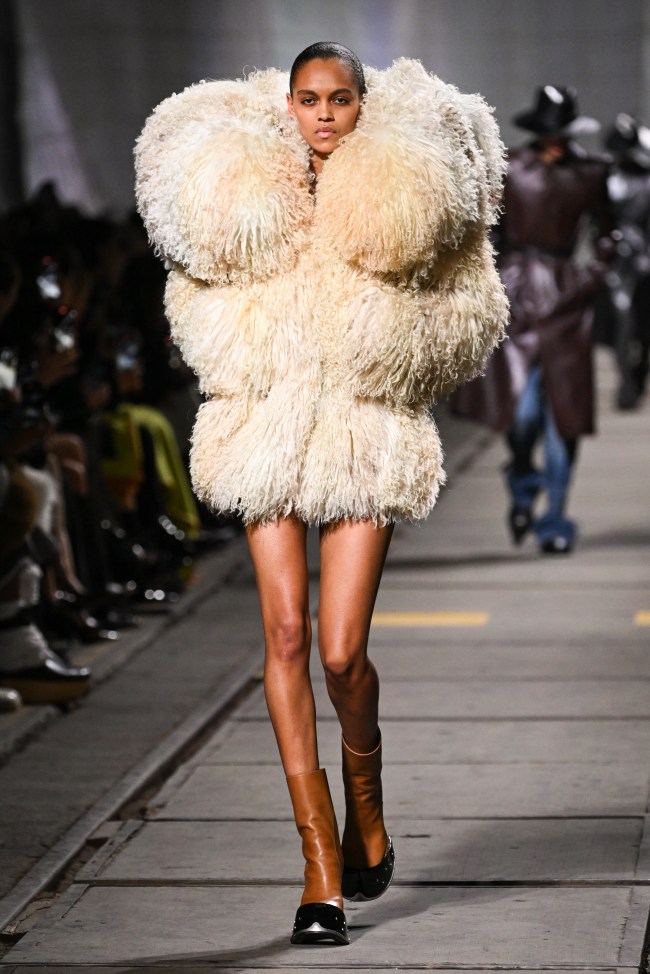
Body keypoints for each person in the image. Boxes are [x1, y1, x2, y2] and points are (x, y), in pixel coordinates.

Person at [135, 41, 508, 946]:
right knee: (288, 635)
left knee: (342, 654)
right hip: (265, 434)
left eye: (341, 99)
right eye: (310, 99)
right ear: (288, 106)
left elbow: (464, 317)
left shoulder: (396, 206)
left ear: (363, 106)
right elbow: (194, 307)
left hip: (362, 437)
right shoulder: (241, 202)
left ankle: (367, 808)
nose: (326, 115)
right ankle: (319, 870)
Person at [453, 85, 612, 554]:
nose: (556, 140)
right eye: (549, 132)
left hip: (566, 303)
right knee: (521, 416)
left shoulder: (589, 174)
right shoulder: (510, 170)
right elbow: (487, 232)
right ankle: (523, 482)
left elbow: (609, 233)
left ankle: (556, 519)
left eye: (562, 132)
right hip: (516, 297)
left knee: (564, 418)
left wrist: (589, 279)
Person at [601, 113, 650, 409]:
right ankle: (627, 384)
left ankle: (639, 372)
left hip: (645, 260)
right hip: (617, 262)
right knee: (622, 323)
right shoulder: (607, 180)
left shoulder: (646, 179)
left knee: (645, 329)